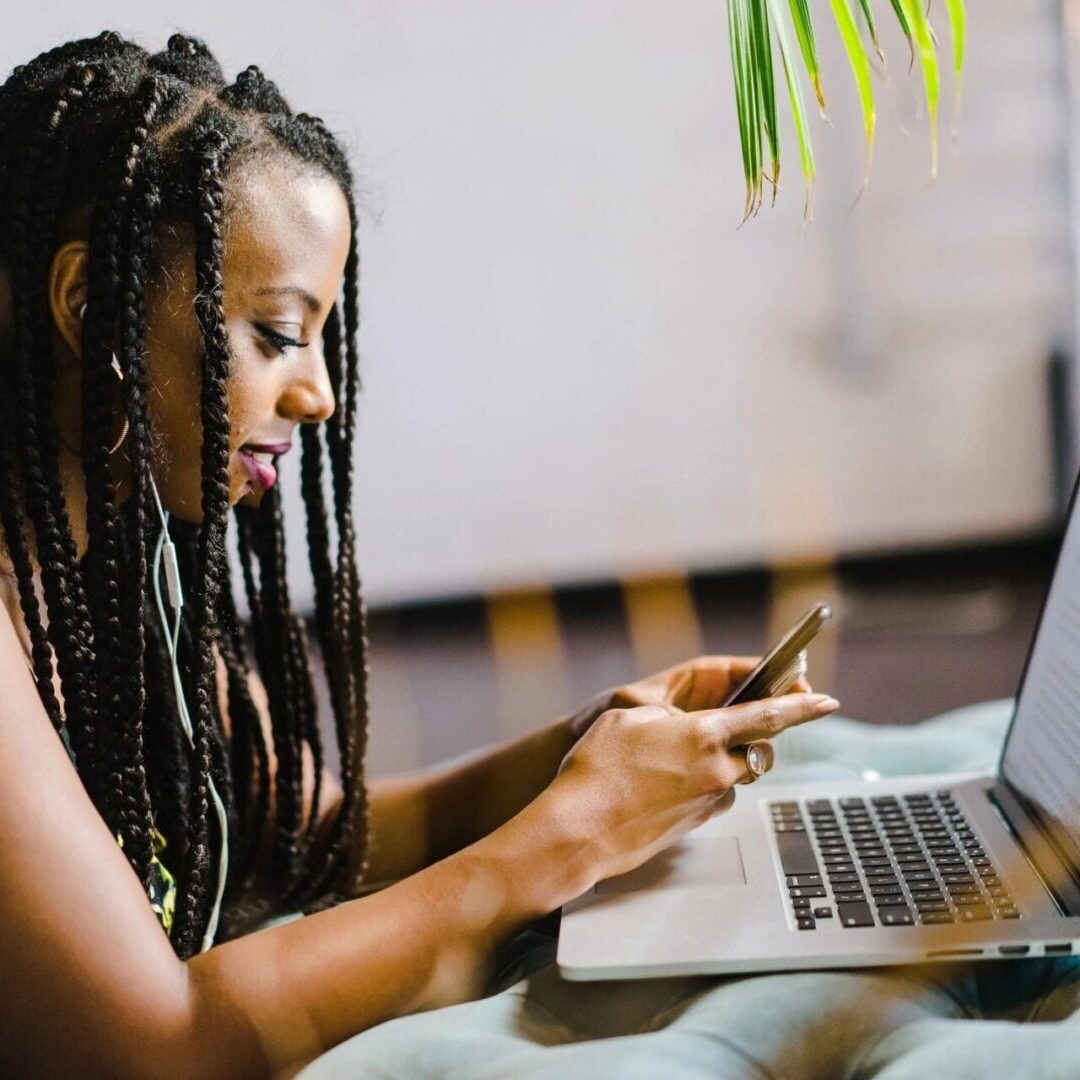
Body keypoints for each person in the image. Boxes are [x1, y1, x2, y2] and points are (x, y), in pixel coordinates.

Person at [0, 30, 841, 1078]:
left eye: (319, 339)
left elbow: (305, 835)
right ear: (89, 306)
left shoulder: (117, 568)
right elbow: (159, 1047)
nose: (318, 394)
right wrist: (565, 839)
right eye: (274, 333)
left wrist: (581, 752)